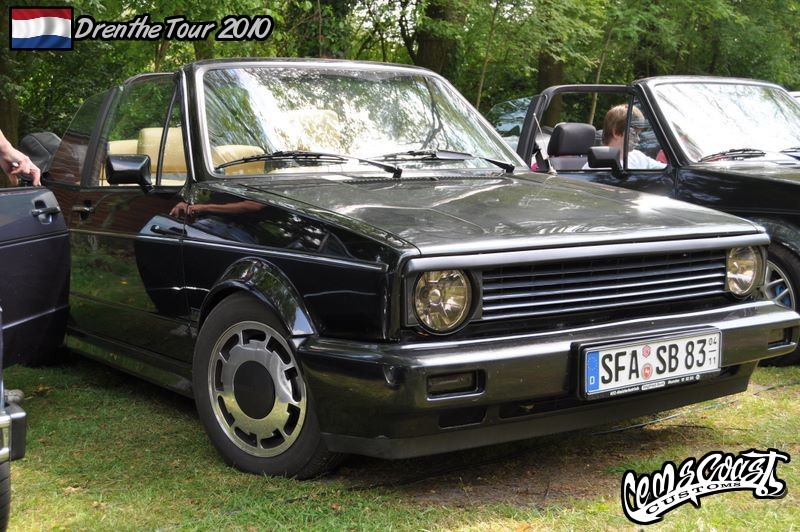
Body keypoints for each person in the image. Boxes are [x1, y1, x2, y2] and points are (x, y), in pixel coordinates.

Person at [588, 104, 666, 170]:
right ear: (616, 133)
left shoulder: (637, 156)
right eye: (634, 133)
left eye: (638, 134)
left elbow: (666, 169)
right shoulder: (596, 167)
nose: (638, 139)